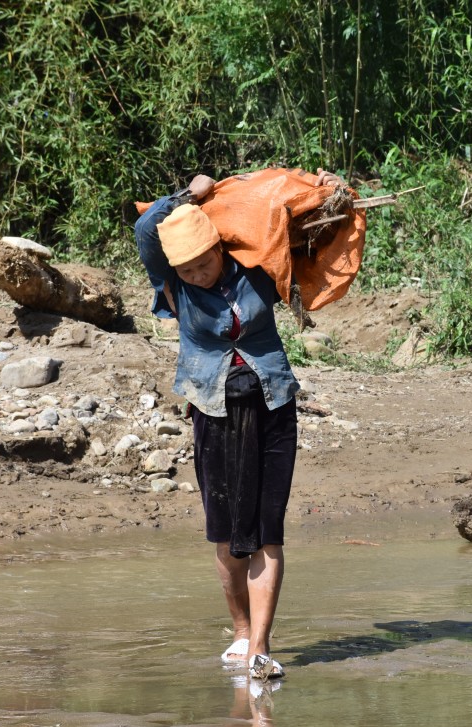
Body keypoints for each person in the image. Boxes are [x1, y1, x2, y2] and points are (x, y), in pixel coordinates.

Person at [134, 168, 345, 682]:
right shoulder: (173, 284)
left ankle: (261, 647)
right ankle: (239, 630)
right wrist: (189, 195)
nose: (196, 275)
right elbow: (146, 232)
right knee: (228, 536)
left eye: (203, 265)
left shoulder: (256, 270)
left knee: (267, 531)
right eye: (186, 270)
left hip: (273, 404)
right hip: (213, 410)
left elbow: (318, 233)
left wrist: (327, 191)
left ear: (219, 252)